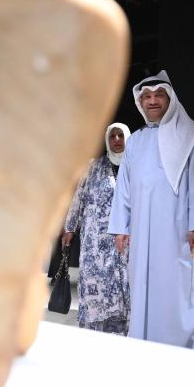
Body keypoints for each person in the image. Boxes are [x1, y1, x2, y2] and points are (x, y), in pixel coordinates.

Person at [108, 71, 194, 349]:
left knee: (179, 289)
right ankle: (144, 343)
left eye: (158, 95)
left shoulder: (193, 135)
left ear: (170, 99)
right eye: (146, 97)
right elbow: (124, 187)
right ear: (140, 102)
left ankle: (182, 346)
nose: (152, 101)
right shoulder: (136, 141)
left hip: (179, 232)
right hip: (142, 232)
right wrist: (120, 227)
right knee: (142, 284)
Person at [61, 123, 132, 334]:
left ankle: (121, 332)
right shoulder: (93, 167)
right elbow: (79, 198)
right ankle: (92, 333)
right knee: (95, 286)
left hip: (125, 242)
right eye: (112, 136)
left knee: (122, 287)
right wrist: (70, 227)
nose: (117, 140)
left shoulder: (135, 167)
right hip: (95, 244)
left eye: (121, 135)